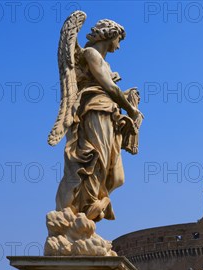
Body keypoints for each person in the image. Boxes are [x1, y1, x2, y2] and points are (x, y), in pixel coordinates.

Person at [51, 13, 143, 223]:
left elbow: (107, 86)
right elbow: (109, 88)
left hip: (108, 114)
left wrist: (126, 99)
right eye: (118, 40)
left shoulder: (103, 63)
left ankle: (92, 208)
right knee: (96, 163)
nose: (118, 47)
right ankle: (83, 213)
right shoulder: (91, 53)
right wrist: (131, 109)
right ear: (109, 35)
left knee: (115, 175)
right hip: (95, 112)